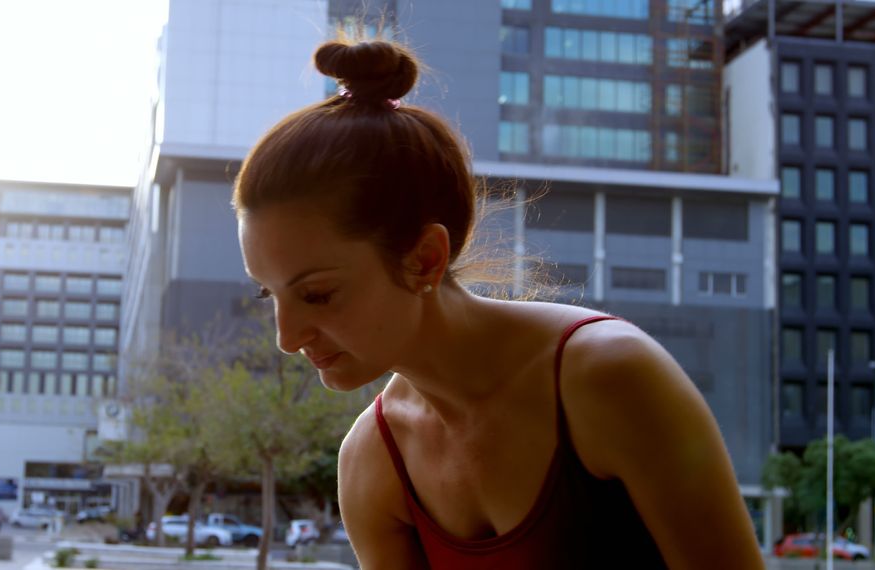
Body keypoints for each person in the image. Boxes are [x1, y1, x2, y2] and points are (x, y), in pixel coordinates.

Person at [233, 37, 764, 569]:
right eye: (268, 292)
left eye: (317, 294)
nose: (287, 338)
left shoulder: (610, 380)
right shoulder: (372, 462)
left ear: (424, 259)